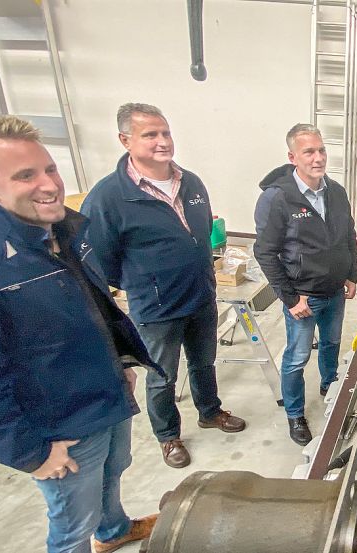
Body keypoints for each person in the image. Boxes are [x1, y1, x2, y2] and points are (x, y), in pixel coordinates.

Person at [0, 115, 158, 553]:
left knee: (113, 472)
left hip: (107, 397)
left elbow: (91, 310)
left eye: (50, 169)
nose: (49, 185)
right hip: (62, 427)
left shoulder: (66, 232)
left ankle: (114, 530)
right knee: (71, 526)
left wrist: (120, 362)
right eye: (25, 176)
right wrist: (30, 454)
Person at [82, 103, 245, 469]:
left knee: (204, 362)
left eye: (165, 133)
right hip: (156, 309)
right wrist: (143, 283)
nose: (162, 141)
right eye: (150, 135)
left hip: (201, 296)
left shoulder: (191, 182)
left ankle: (210, 411)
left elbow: (202, 231)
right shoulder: (109, 197)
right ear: (125, 140)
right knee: (162, 376)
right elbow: (99, 259)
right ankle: (168, 436)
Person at [254, 123, 357, 446]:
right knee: (297, 357)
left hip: (334, 293)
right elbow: (265, 253)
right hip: (302, 298)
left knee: (331, 346)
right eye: (309, 152)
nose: (318, 158)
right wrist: (289, 298)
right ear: (293, 157)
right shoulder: (279, 198)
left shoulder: (336, 192)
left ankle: (330, 388)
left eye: (321, 150)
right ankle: (295, 414)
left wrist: (352, 273)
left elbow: (348, 237)